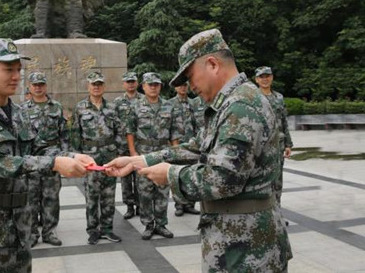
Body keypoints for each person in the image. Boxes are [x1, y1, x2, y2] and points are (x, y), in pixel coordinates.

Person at [106, 29, 292, 272]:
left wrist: (171, 175)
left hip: (248, 249)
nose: (190, 86)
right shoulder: (231, 102)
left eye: (190, 76)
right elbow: (198, 146)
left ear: (212, 64)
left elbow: (222, 180)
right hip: (238, 240)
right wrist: (141, 160)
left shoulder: (240, 107)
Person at [0, 38, 94, 273]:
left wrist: (72, 155)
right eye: (8, 69)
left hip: (20, 223)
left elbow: (38, 148)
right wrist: (55, 163)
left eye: (18, 69)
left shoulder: (19, 114)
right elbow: (0, 163)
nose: (16, 76)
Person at [125, 72, 183, 240]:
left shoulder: (169, 106)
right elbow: (130, 131)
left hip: (163, 153)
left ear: (160, 86)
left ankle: (161, 224)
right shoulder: (135, 106)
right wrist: (133, 153)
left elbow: (174, 132)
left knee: (163, 190)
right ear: (143, 86)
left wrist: (176, 153)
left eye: (156, 84)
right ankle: (148, 224)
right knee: (144, 191)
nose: (153, 87)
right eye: (149, 84)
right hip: (144, 153)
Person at [70, 71, 125, 245]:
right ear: (88, 86)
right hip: (90, 158)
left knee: (109, 195)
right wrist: (77, 157)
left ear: (104, 87)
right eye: (93, 84)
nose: (96, 87)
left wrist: (118, 153)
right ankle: (93, 230)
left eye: (99, 84)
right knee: (92, 196)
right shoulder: (80, 108)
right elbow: (75, 134)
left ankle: (107, 229)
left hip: (109, 156)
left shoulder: (112, 107)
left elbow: (120, 132)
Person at [22, 71, 68, 247]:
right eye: (35, 85)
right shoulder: (23, 110)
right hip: (32, 159)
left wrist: (63, 156)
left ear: (46, 86)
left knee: (51, 197)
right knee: (31, 199)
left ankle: (49, 232)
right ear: (30, 87)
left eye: (41, 84)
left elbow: (64, 134)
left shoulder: (56, 107)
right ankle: (32, 234)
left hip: (52, 158)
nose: (38, 87)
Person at [255, 66, 294, 204]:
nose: (265, 79)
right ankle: (265, 212)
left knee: (278, 180)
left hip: (278, 145)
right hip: (261, 146)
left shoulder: (279, 97)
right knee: (262, 179)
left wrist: (288, 144)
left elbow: (284, 121)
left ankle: (277, 212)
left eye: (267, 76)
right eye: (261, 77)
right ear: (256, 80)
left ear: (272, 77)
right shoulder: (254, 98)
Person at [113, 71, 144, 219]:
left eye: (133, 81)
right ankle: (129, 206)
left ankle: (141, 205)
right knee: (125, 178)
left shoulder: (144, 100)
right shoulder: (117, 103)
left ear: (137, 83)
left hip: (141, 145)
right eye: (128, 81)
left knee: (141, 176)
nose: (131, 84)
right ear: (124, 84)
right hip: (123, 145)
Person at [168, 83, 200, 217]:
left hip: (191, 145)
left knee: (191, 174)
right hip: (177, 144)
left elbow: (198, 123)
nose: (182, 88)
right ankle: (179, 205)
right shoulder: (169, 104)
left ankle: (190, 204)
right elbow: (167, 125)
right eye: (180, 86)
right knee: (177, 176)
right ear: (175, 88)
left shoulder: (194, 103)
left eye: (185, 86)